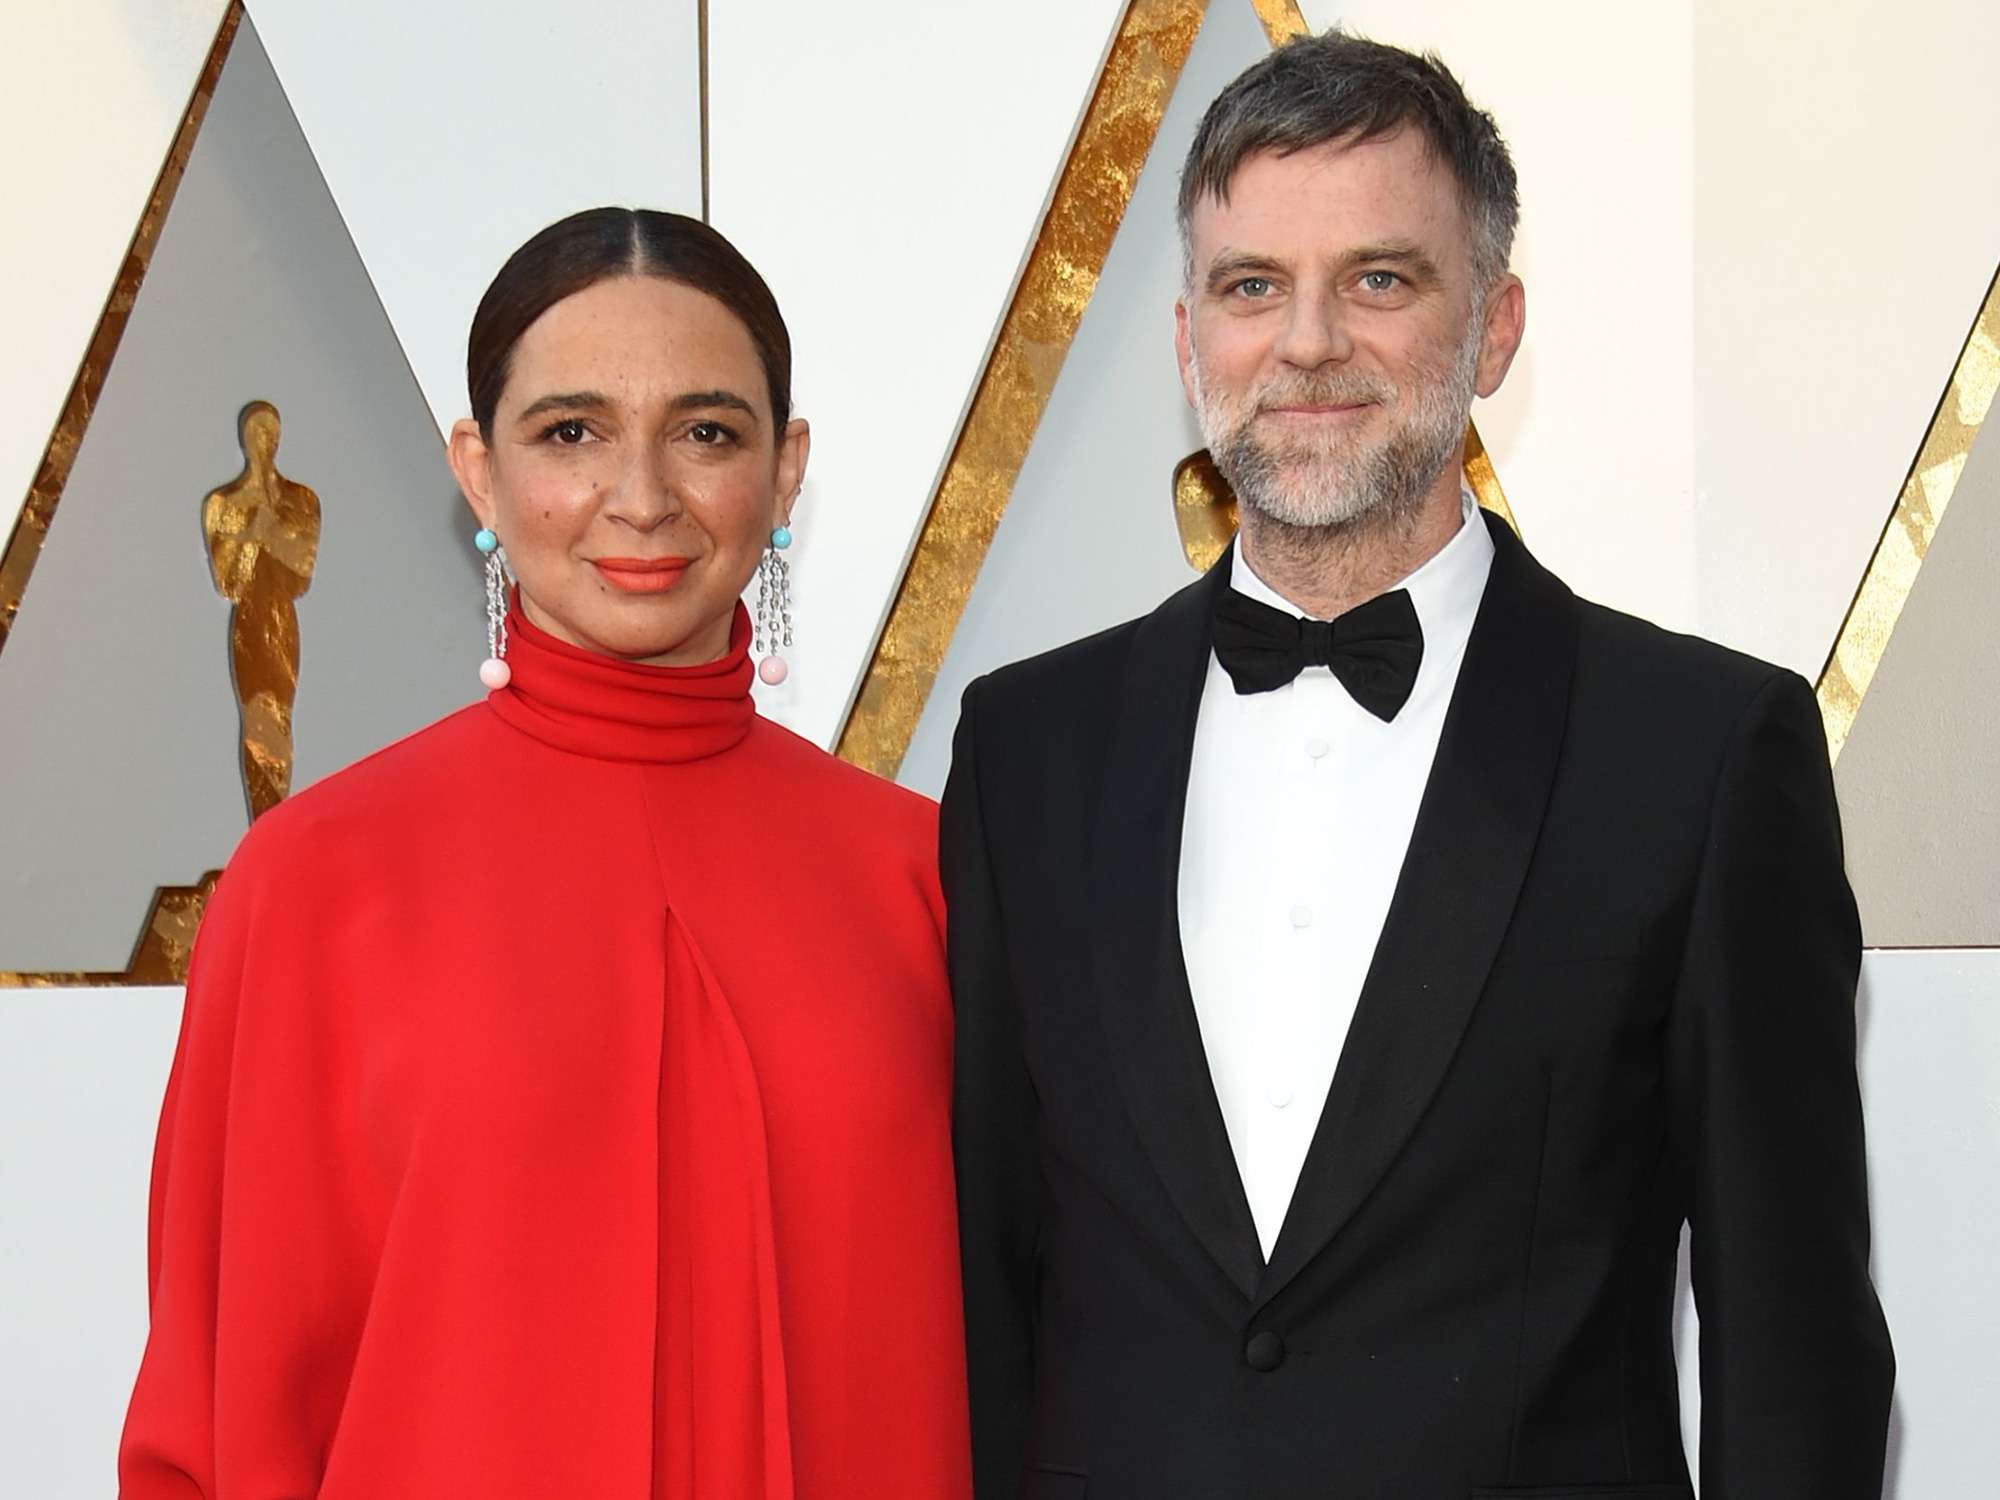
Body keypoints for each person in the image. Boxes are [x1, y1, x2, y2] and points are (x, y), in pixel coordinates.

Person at [944, 33, 1892, 1500]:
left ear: (1494, 328)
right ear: (1192, 339)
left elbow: (1796, 1351)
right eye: (1254, 286)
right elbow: (992, 1300)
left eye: (1381, 279)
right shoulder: (1027, 751)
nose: (1308, 342)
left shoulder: (1703, 755)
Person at [120, 207, 972, 1499]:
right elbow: (225, 1402)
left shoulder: (928, 878)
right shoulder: (317, 881)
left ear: (786, 469)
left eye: (707, 432)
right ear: (478, 468)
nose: (640, 498)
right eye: (570, 432)